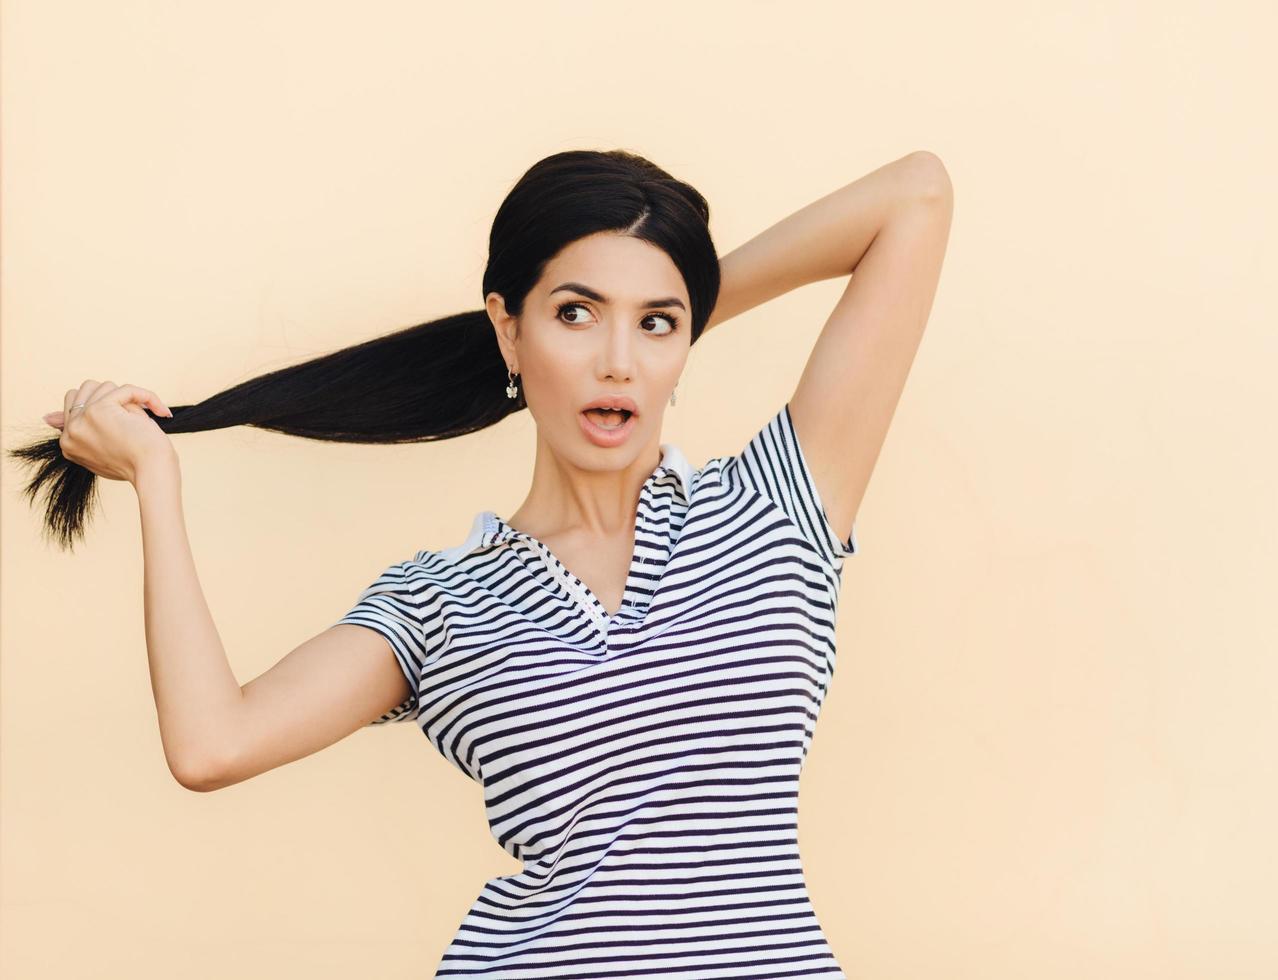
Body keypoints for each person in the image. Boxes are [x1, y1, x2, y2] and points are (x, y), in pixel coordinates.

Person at [14, 147, 953, 977]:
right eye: (575, 314)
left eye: (655, 324)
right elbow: (211, 744)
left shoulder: (775, 507)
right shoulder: (440, 600)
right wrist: (156, 481)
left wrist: (677, 302)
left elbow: (915, 194)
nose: (617, 362)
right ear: (508, 329)